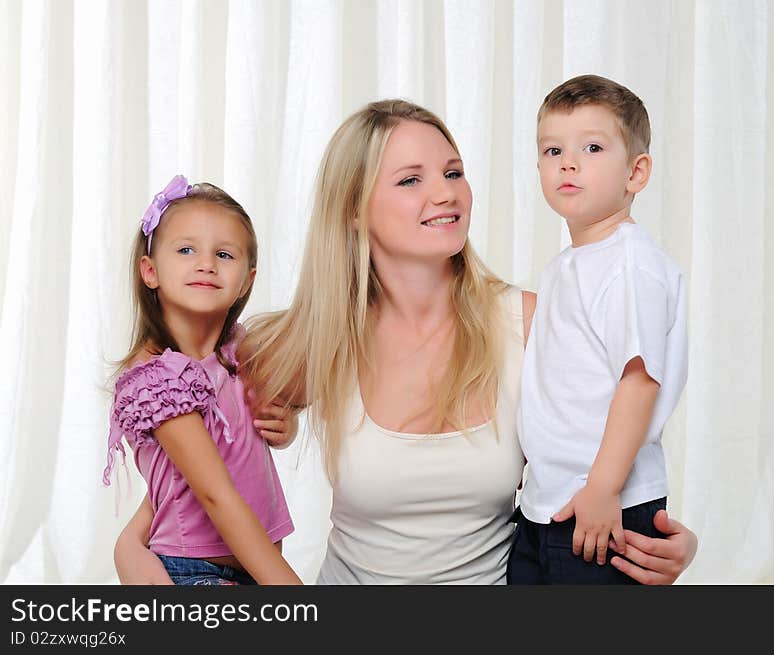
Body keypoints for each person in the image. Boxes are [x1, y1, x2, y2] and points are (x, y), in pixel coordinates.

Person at [117, 101, 697, 584]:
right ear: (353, 210)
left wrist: (659, 536)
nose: (445, 193)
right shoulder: (310, 342)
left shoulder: (531, 323)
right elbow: (199, 457)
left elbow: (616, 431)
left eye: (453, 171)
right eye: (410, 180)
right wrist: (132, 544)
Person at [507, 75, 688, 584]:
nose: (568, 162)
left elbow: (639, 380)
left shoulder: (629, 265)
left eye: (592, 147)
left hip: (604, 504)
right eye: (552, 149)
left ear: (636, 172)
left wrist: (605, 488)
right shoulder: (568, 265)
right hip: (547, 502)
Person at [104, 176, 303, 585]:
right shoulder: (157, 381)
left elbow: (290, 396)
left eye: (224, 254)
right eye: (186, 249)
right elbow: (215, 494)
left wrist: (287, 422)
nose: (206, 263)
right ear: (150, 270)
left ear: (248, 279)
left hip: (249, 567)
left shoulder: (236, 350)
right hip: (193, 573)